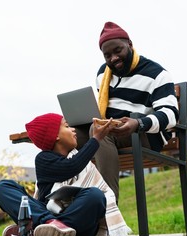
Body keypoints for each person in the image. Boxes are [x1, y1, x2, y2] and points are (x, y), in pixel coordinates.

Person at [77, 22, 179, 203]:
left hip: (143, 133)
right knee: (66, 136)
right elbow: (103, 110)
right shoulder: (103, 73)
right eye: (107, 55)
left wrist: (138, 124)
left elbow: (171, 114)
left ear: (130, 45)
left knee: (99, 133)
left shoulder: (157, 74)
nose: (113, 58)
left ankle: (108, 209)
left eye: (118, 50)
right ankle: (64, 207)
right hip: (112, 130)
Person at [0, 113, 131, 236]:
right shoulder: (44, 159)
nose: (73, 130)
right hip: (49, 215)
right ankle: (50, 224)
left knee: (96, 195)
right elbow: (71, 167)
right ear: (56, 135)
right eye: (67, 126)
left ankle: (37, 233)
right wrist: (96, 139)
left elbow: (76, 163)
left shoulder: (78, 156)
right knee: (2, 187)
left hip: (81, 223)